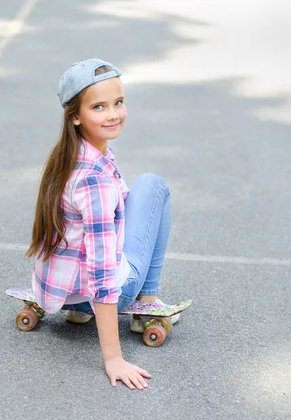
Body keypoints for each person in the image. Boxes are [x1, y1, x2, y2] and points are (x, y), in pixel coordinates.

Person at [26, 58, 179, 390]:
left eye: (118, 103)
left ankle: (83, 310)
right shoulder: (93, 180)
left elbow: (115, 210)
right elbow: (101, 269)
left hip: (67, 292)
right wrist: (113, 358)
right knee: (153, 186)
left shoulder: (76, 154)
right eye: (99, 106)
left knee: (137, 197)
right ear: (76, 116)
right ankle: (147, 302)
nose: (113, 114)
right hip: (102, 292)